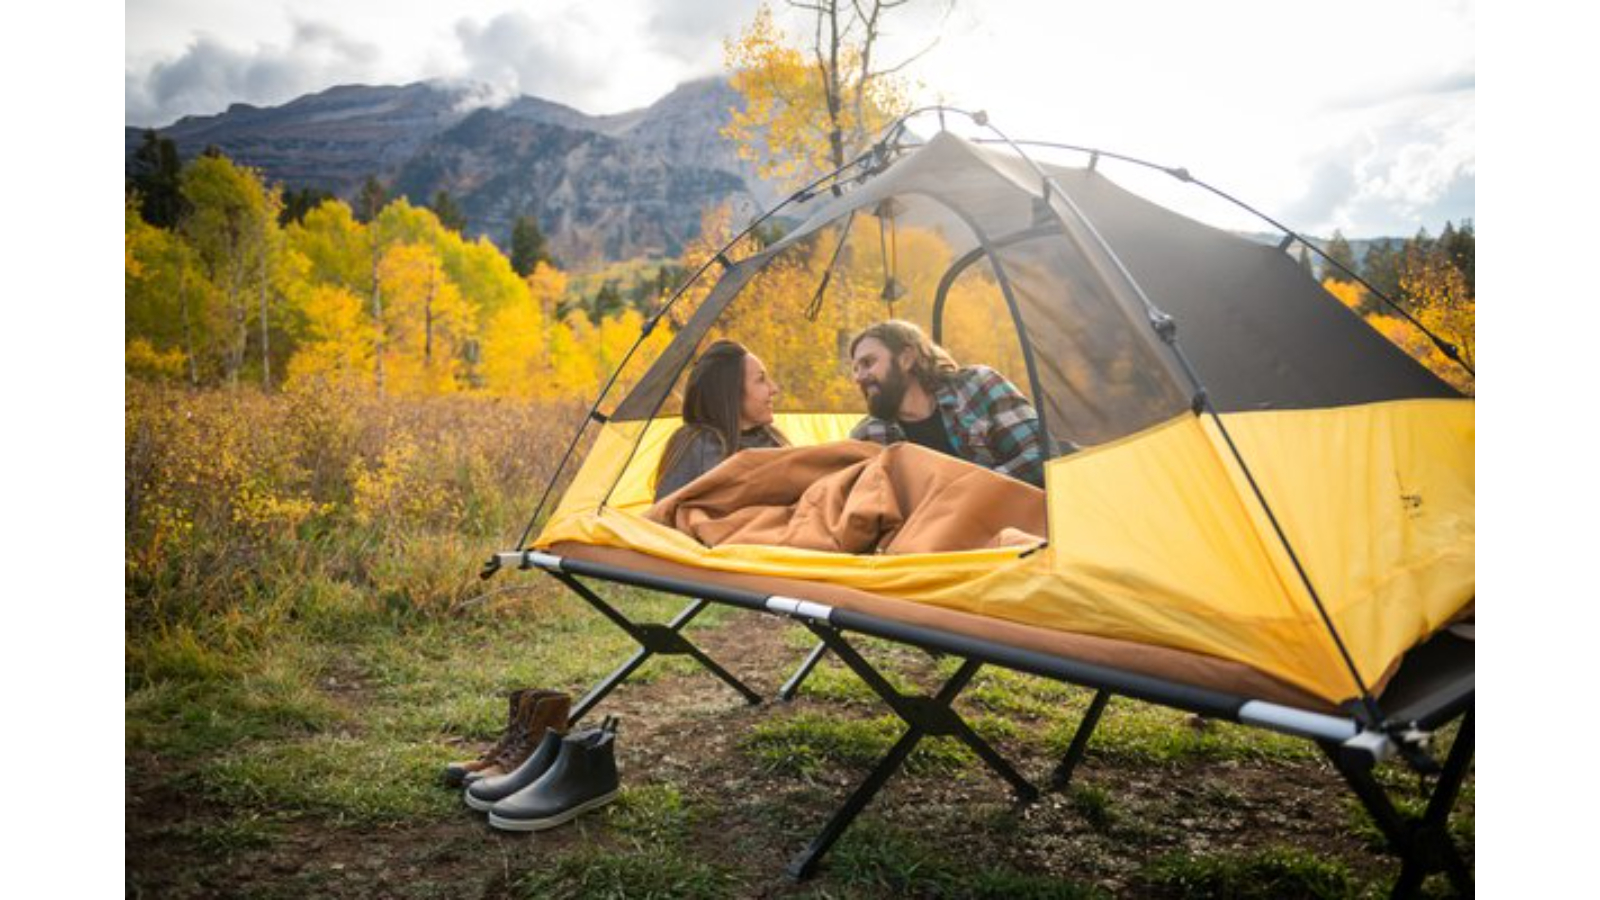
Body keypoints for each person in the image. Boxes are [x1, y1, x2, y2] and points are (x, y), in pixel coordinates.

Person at [847, 320, 1047, 487]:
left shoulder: (977, 386)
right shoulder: (867, 436)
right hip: (931, 532)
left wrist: (972, 491)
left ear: (906, 359)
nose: (858, 377)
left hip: (1014, 522)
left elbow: (1041, 452)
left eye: (868, 363)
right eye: (855, 369)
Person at [654, 339, 789, 501]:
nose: (774, 389)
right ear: (731, 391)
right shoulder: (696, 445)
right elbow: (662, 515)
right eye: (761, 380)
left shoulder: (775, 441)